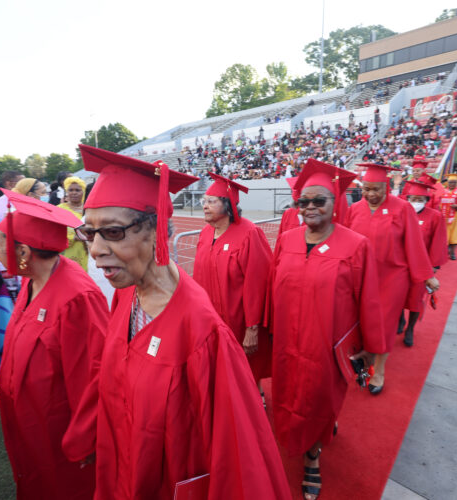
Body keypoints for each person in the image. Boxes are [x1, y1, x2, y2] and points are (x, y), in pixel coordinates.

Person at [76, 144, 292, 500]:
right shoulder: (125, 294)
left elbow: (236, 453)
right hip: (120, 467)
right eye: (90, 232)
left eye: (112, 232)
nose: (96, 249)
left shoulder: (203, 332)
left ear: (158, 229)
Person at [267, 159, 385, 500]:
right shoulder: (286, 239)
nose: (310, 208)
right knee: (288, 395)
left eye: (319, 200)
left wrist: (369, 348)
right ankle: (302, 440)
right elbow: (271, 289)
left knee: (319, 398)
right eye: (303, 202)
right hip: (288, 341)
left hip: (327, 344)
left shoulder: (355, 245)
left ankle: (313, 458)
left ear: (336, 202)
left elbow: (370, 301)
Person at [0, 190, 109, 500]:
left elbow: (94, 374)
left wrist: (86, 437)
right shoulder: (32, 281)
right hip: (31, 424)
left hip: (60, 436)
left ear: (23, 252)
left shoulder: (77, 298)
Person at [345, 163, 439, 394]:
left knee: (384, 325)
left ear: (386, 187)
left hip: (391, 277)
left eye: (376, 189)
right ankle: (363, 362)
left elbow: (414, 244)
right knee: (358, 321)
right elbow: (345, 242)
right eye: (366, 189)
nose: (371, 194)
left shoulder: (402, 208)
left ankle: (380, 370)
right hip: (359, 277)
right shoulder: (355, 209)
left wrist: (426, 275)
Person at [193, 173, 273, 390]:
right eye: (204, 201)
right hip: (211, 319)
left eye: (211, 201)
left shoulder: (249, 234)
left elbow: (257, 284)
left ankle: (255, 397)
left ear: (228, 205)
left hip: (239, 321)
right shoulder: (205, 234)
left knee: (245, 370)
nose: (205, 206)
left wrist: (252, 328)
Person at [398, 181, 448, 346]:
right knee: (396, 296)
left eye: (420, 199)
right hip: (399, 265)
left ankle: (410, 328)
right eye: (413, 198)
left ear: (426, 201)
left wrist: (431, 269)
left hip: (420, 267)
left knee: (415, 299)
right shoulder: (400, 213)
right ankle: (399, 321)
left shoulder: (434, 217)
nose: (416, 202)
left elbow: (438, 242)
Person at [58, 176, 88, 271]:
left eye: (77, 190)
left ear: (83, 192)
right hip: (69, 251)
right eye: (70, 190)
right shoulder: (59, 209)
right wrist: (73, 237)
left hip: (89, 250)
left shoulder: (89, 208)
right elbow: (54, 232)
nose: (74, 193)